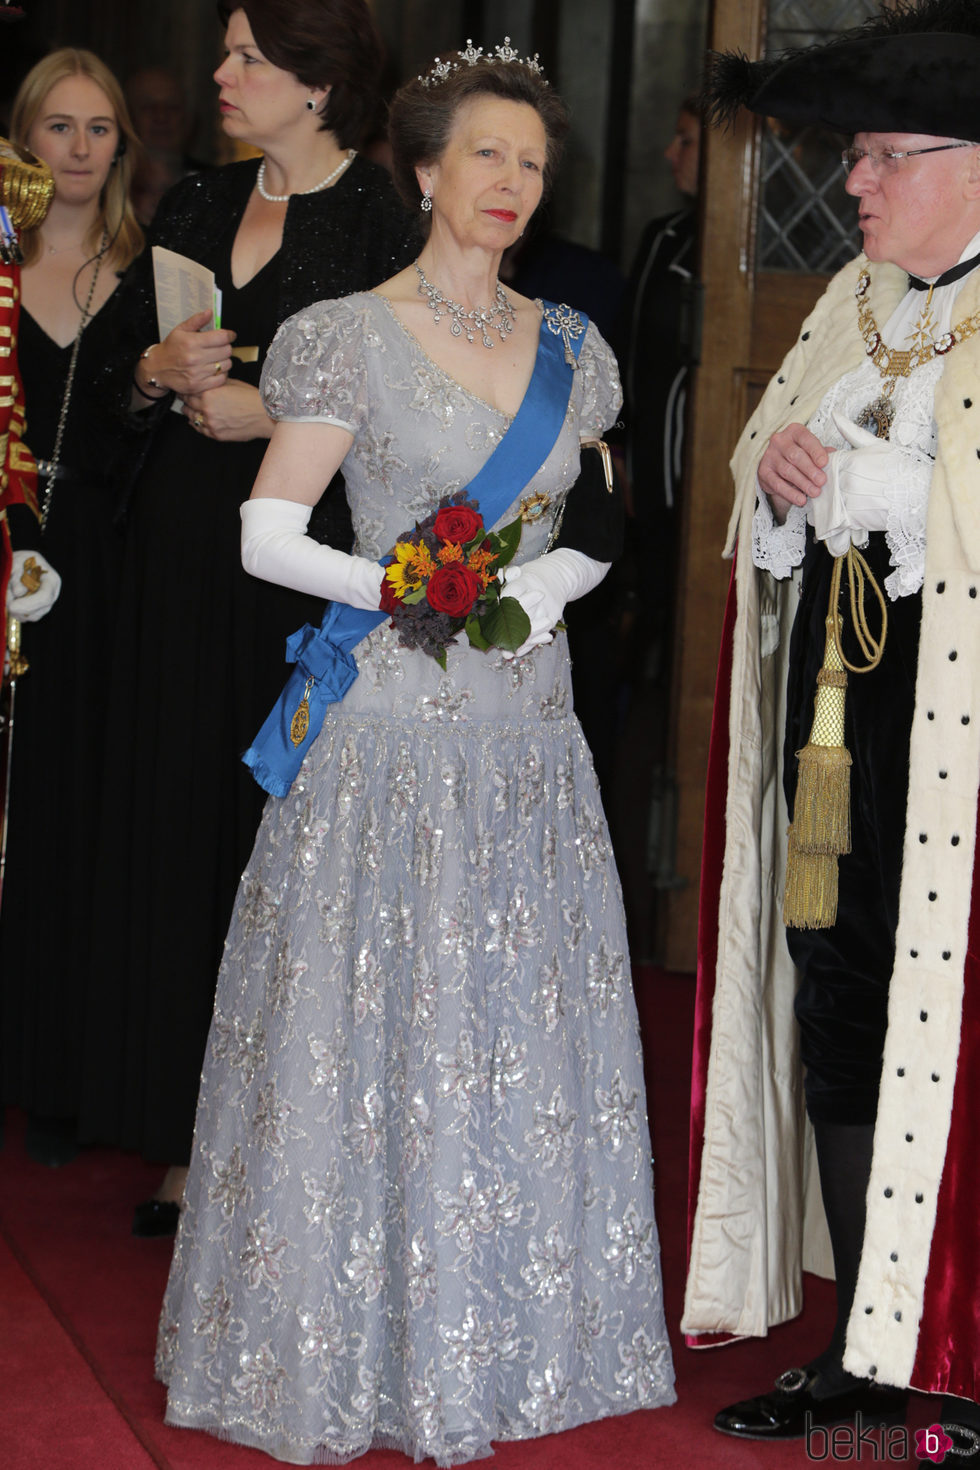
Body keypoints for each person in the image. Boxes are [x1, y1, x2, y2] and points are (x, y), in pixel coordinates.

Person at [156, 39, 675, 1465]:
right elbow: (267, 528)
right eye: (485, 156)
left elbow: (597, 517)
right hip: (387, 730)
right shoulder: (343, 333)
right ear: (427, 170)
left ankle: (513, 1324)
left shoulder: (573, 345)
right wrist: (408, 587)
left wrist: (553, 588)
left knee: (510, 1016)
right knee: (377, 1025)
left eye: (534, 163)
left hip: (530, 731)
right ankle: (360, 1334)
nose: (511, 182)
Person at [684, 1, 980, 1458]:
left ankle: (968, 1354)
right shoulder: (848, 301)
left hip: (971, 754)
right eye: (853, 157)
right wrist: (792, 480)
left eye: (880, 156)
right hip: (844, 737)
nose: (853, 185)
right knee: (845, 997)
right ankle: (873, 1339)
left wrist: (908, 501)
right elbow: (757, 470)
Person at [80, 0, 418, 1235]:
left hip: (297, 579)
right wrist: (153, 376)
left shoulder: (385, 223)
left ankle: (278, 1132)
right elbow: (113, 388)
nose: (222, 76)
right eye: (225, 53)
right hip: (176, 563)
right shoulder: (190, 206)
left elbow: (424, 401)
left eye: (247, 59)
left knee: (272, 847)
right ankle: (180, 1129)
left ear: (319, 87)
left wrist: (275, 413)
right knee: (175, 826)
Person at [0, 50, 143, 1166]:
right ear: (24, 142)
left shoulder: (151, 274)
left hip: (102, 569)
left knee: (83, 806)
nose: (82, 149)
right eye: (60, 127)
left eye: (100, 128)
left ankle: (62, 1071)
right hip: (2, 555)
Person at [123, 65, 208, 226]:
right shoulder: (105, 187)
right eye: (148, 108)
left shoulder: (217, 186)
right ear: (126, 117)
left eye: (172, 108)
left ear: (188, 119)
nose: (161, 117)